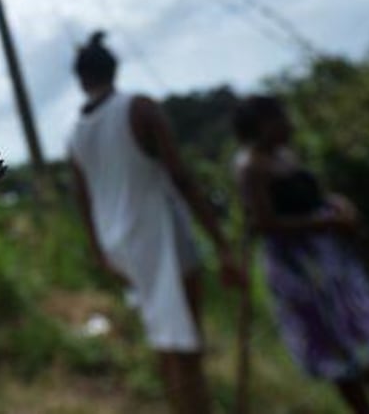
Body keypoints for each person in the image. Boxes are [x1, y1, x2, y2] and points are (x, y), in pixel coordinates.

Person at [67, 31, 243, 414]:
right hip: (161, 237)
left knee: (165, 340)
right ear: (114, 69)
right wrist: (223, 245)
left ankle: (179, 403)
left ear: (81, 79)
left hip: (122, 248)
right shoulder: (139, 108)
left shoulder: (75, 135)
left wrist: (101, 253)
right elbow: (179, 176)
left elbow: (84, 200)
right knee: (187, 346)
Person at [232, 95, 369, 414]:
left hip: (333, 265)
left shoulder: (284, 154)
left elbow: (309, 196)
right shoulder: (251, 166)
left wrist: (338, 205)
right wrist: (328, 221)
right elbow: (266, 223)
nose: (288, 123)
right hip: (302, 274)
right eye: (280, 118)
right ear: (261, 124)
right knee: (341, 359)